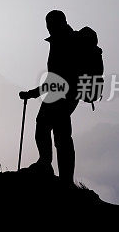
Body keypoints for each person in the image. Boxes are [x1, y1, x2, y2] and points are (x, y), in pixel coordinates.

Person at [19, 10, 80, 184]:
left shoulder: (64, 42)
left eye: (50, 24)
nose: (48, 28)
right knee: (60, 135)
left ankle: (52, 169)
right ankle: (62, 176)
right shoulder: (65, 40)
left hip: (60, 95)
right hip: (65, 94)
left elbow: (58, 77)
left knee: (49, 129)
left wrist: (33, 93)